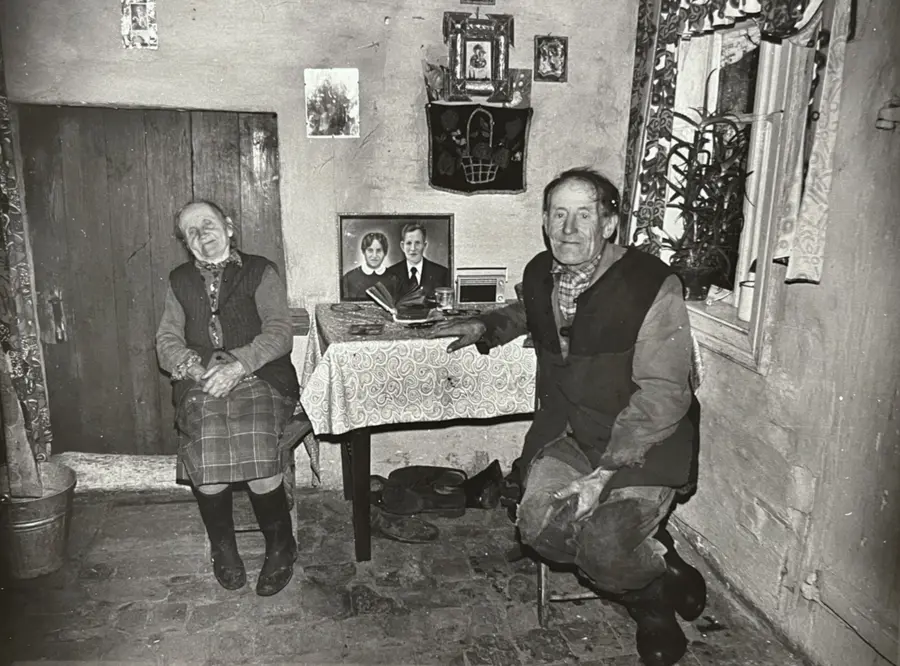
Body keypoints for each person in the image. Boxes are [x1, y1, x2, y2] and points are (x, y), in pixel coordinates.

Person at [432, 168, 705, 666]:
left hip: (644, 443)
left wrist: (605, 475)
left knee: (602, 546)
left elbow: (665, 393)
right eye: (559, 214)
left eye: (584, 215)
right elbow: (529, 309)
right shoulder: (541, 271)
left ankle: (652, 607)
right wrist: (487, 325)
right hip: (570, 433)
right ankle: (658, 567)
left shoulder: (652, 285)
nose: (569, 228)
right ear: (543, 221)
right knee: (537, 526)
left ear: (609, 224)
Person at [156, 200, 300, 597]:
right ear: (187, 244)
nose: (202, 235)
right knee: (207, 441)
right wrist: (193, 368)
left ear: (229, 226)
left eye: (208, 224)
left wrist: (239, 365)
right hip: (201, 382)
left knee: (255, 437)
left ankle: (280, 546)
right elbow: (166, 340)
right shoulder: (179, 280)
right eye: (191, 232)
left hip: (261, 378)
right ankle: (224, 548)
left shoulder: (260, 271)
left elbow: (279, 332)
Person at [383, 222, 450, 299]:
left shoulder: (441, 273)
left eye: (417, 243)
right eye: (408, 243)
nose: (413, 248)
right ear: (402, 246)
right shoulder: (390, 273)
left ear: (424, 245)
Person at [341, 231, 390, 300]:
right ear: (363, 252)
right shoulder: (349, 278)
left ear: (385, 252)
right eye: (370, 250)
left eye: (379, 250)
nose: (374, 255)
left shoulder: (394, 278)